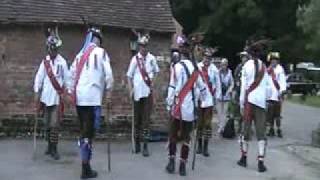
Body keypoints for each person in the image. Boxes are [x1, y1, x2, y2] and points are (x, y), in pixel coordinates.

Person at [68, 27, 113, 179]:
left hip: (80, 99)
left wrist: (70, 92)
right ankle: (85, 167)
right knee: (89, 133)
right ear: (98, 39)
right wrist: (109, 93)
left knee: (85, 131)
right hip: (93, 99)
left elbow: (71, 75)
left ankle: (85, 165)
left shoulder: (80, 55)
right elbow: (109, 75)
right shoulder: (101, 52)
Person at [166, 38, 208, 176]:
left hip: (177, 108)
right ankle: (182, 166)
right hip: (189, 109)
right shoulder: (196, 69)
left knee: (173, 136)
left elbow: (172, 87)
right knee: (186, 138)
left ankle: (171, 163)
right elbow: (203, 89)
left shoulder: (176, 67)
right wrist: (203, 102)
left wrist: (169, 103)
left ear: (180, 52)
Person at [33, 27, 68, 160]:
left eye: (55, 49)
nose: (53, 51)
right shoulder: (45, 62)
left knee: (54, 124)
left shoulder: (62, 62)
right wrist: (37, 92)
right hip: (45, 97)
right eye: (51, 49)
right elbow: (39, 77)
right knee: (47, 124)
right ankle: (49, 146)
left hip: (56, 98)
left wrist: (66, 93)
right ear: (48, 48)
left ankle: (54, 149)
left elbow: (67, 79)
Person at [238, 40, 271, 173]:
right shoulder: (264, 66)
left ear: (250, 54)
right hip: (261, 103)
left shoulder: (246, 66)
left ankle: (244, 158)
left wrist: (241, 102)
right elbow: (268, 87)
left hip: (249, 101)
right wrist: (266, 99)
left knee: (246, 130)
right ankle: (261, 162)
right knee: (261, 133)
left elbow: (243, 86)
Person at [126, 34, 159, 157]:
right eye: (141, 46)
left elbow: (156, 72)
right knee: (137, 120)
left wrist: (153, 84)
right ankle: (137, 144)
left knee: (146, 120)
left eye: (145, 46)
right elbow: (129, 76)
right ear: (139, 47)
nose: (143, 48)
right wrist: (130, 90)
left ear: (147, 47)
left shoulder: (152, 58)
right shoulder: (135, 59)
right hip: (137, 93)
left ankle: (145, 145)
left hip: (147, 93)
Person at [196, 47, 220, 156]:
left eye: (209, 58)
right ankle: (199, 145)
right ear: (203, 57)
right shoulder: (198, 67)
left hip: (209, 99)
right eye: (206, 57)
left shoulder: (214, 69)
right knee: (199, 124)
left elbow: (217, 84)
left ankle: (205, 147)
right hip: (200, 98)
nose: (207, 59)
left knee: (207, 124)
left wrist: (216, 98)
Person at [266, 52, 286, 138]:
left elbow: (282, 81)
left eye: (275, 60)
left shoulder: (280, 70)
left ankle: (279, 129)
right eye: (272, 60)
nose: (273, 62)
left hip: (277, 95)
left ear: (277, 61)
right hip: (270, 95)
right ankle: (271, 129)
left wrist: (282, 92)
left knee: (277, 115)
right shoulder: (268, 70)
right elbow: (266, 82)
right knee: (270, 114)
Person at [232, 52, 250, 133]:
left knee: (248, 109)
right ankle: (239, 126)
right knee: (238, 109)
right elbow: (235, 77)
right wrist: (236, 88)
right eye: (243, 58)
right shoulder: (239, 67)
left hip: (248, 91)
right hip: (239, 90)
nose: (244, 59)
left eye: (245, 57)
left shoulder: (250, 67)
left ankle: (247, 127)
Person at [216, 58, 234, 135]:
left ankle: (222, 127)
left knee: (225, 112)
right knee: (219, 112)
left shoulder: (230, 72)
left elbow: (232, 83)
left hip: (226, 95)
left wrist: (229, 90)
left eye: (225, 64)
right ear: (221, 65)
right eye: (222, 64)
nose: (224, 66)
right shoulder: (217, 72)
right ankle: (221, 126)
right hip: (219, 95)